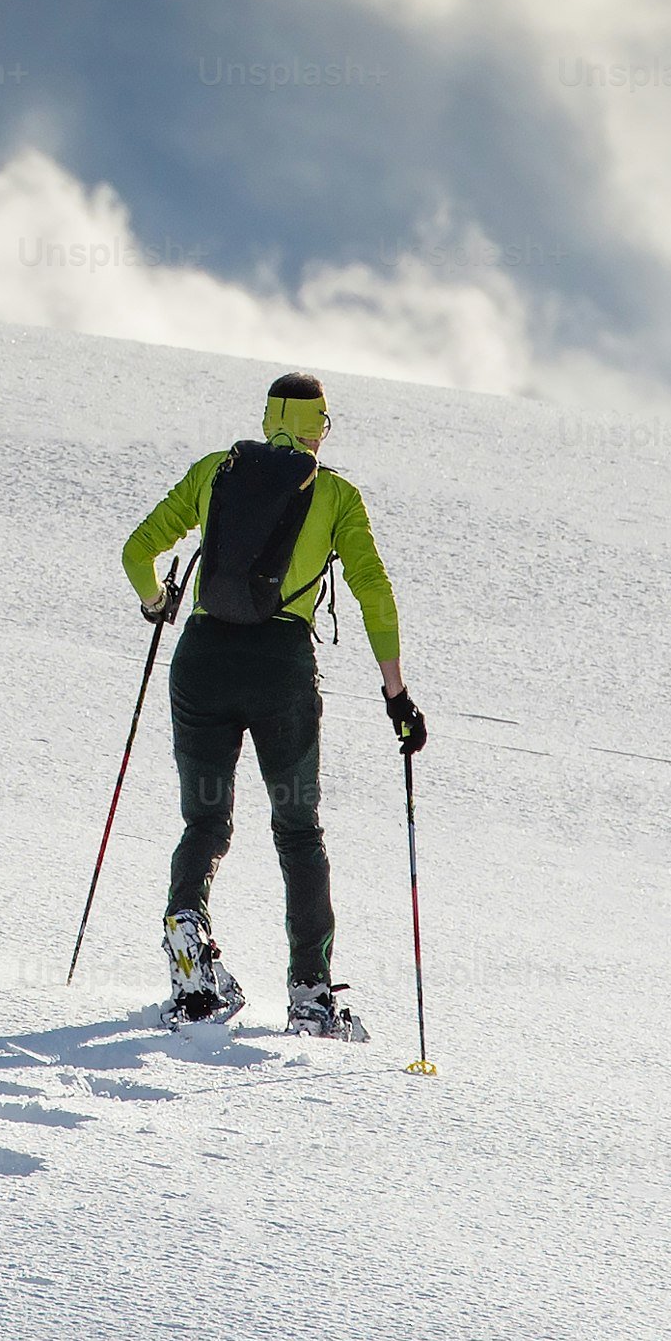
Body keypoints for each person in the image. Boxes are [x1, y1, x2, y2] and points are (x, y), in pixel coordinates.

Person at [121, 372, 426, 1037]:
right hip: (280, 669)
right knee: (297, 831)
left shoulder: (215, 472)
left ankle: (189, 945)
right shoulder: (336, 494)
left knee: (205, 821)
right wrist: (395, 695)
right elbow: (374, 591)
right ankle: (312, 997)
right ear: (320, 426)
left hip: (201, 659)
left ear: (266, 419)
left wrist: (157, 603)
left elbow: (137, 551)